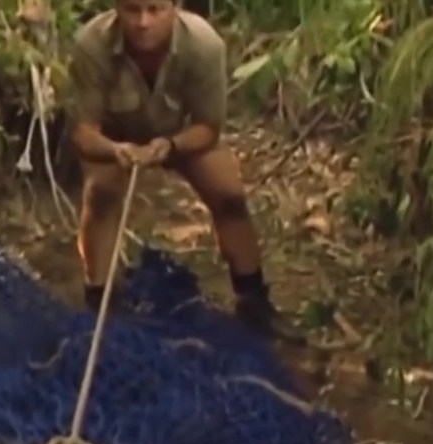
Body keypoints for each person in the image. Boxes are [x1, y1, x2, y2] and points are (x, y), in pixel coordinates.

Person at [65, 0, 302, 343]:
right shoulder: (91, 45)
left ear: (175, 7)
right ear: (117, 8)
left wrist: (170, 146)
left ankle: (254, 301)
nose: (143, 22)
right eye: (132, 10)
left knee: (230, 196)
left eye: (154, 9)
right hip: (116, 139)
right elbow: (83, 131)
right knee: (100, 195)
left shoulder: (205, 46)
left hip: (181, 135)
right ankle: (100, 301)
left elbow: (208, 127)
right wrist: (115, 150)